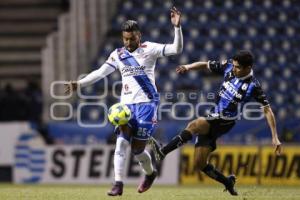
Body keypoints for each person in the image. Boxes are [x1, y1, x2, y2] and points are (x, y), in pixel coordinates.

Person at [65, 7, 183, 196]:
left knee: (137, 151)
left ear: (139, 36)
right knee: (120, 143)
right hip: (126, 107)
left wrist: (177, 27)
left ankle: (151, 174)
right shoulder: (118, 54)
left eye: (132, 38)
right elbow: (100, 72)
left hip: (147, 105)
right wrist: (79, 83)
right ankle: (117, 184)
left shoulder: (150, 49)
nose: (128, 42)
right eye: (125, 39)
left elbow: (176, 49)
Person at [149, 50, 282, 196]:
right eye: (234, 65)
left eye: (238, 67)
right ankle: (227, 182)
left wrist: (274, 136)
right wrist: (188, 67)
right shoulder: (229, 66)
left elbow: (267, 110)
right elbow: (205, 65)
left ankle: (162, 152)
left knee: (195, 125)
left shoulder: (253, 86)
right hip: (214, 114)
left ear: (248, 68)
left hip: (226, 120)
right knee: (200, 163)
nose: (234, 68)